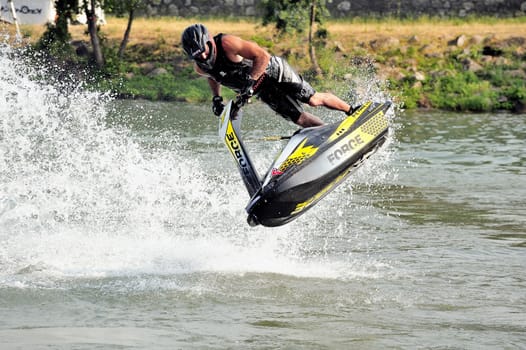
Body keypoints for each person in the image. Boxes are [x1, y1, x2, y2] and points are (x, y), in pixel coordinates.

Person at [181, 23, 355, 127]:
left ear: (209, 41)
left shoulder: (228, 43)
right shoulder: (200, 67)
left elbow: (262, 56)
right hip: (260, 88)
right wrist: (217, 98)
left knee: (313, 100)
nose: (202, 56)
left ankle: (353, 111)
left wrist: (250, 82)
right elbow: (213, 77)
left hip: (275, 71)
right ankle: (328, 136)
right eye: (196, 55)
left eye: (203, 50)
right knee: (299, 119)